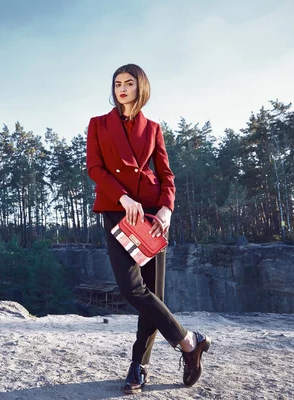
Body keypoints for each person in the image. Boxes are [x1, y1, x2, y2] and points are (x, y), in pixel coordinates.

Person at [86, 63, 211, 394]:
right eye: (117, 83)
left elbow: (167, 174)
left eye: (128, 83)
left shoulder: (153, 128)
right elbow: (95, 169)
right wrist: (123, 197)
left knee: (153, 292)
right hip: (117, 209)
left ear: (140, 88)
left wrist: (167, 209)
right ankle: (188, 341)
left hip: (152, 214)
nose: (122, 88)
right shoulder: (98, 124)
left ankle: (138, 366)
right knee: (131, 288)